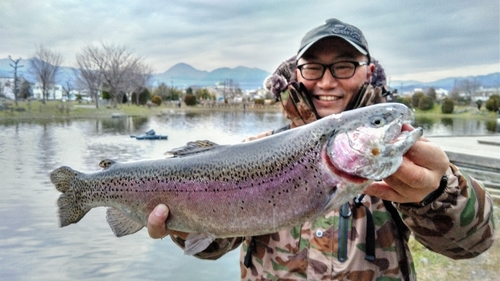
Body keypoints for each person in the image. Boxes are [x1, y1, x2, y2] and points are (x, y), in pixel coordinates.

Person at [147, 18, 495, 280]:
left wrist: (437, 193)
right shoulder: (254, 152)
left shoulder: (398, 156)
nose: (327, 82)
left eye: (344, 66)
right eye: (313, 67)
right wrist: (185, 224)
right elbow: (214, 245)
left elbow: (472, 243)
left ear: (368, 72)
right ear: (297, 74)